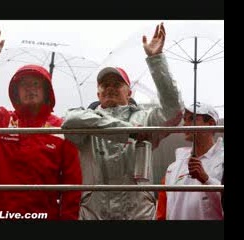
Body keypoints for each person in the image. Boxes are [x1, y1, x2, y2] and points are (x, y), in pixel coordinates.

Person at [0, 27, 82, 220]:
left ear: (47, 90)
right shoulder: (2, 119)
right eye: (24, 84)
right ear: (15, 92)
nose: (30, 89)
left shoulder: (61, 129)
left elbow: (72, 186)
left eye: (36, 84)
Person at [61, 23, 184, 220]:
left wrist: (156, 60)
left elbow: (174, 110)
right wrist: (130, 132)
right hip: (94, 214)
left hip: (138, 214)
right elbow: (68, 121)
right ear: (98, 93)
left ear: (129, 92)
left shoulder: (145, 118)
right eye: (105, 84)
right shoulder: (84, 118)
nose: (110, 88)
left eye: (117, 84)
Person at [156, 102, 224, 220]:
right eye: (185, 119)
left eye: (192, 118)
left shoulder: (222, 160)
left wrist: (206, 180)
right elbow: (161, 212)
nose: (185, 124)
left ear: (211, 124)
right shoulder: (173, 167)